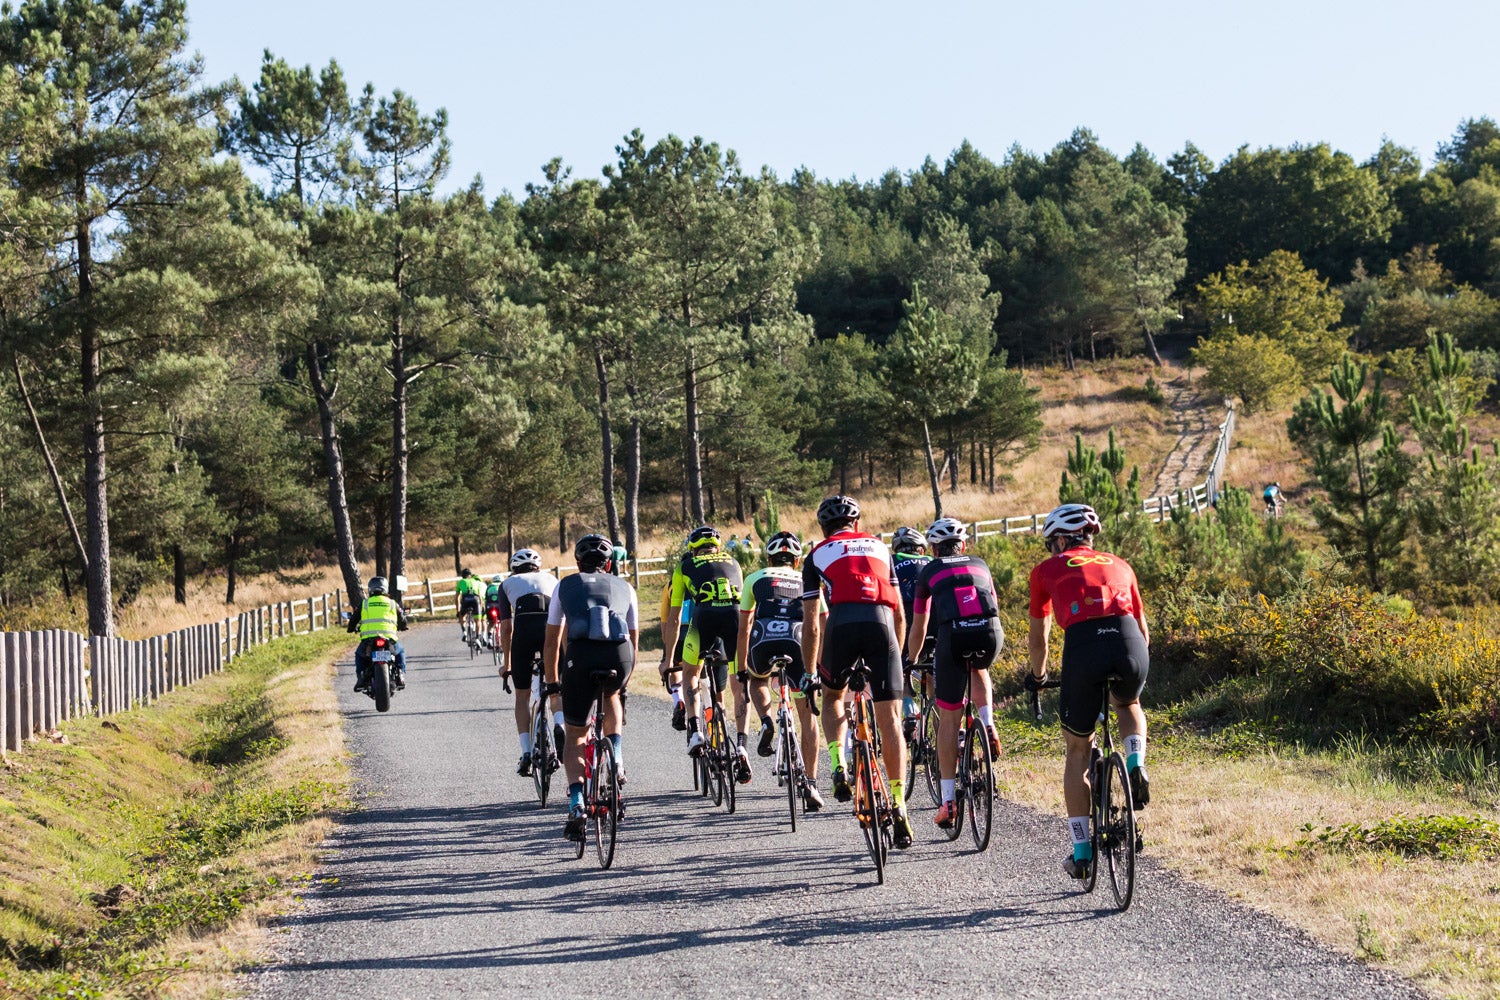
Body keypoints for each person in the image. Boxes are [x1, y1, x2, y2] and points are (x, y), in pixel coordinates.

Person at [1025, 502, 1151, 880]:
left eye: (1052, 543)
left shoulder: (1046, 570)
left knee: (1078, 748)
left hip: (1083, 646)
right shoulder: (1120, 564)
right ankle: (1135, 763)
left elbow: (1038, 639)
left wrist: (1039, 675)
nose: (1051, 549)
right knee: (1128, 703)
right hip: (1129, 642)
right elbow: (1143, 631)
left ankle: (1082, 853)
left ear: (1061, 538)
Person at [802, 495, 915, 850]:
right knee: (891, 721)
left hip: (841, 624)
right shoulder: (881, 549)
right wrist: (896, 656)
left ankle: (838, 763)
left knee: (833, 695)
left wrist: (809, 673)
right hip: (882, 626)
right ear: (857, 522)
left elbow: (811, 624)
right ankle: (899, 804)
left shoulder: (817, 553)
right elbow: (899, 614)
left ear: (824, 528)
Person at [904, 518, 1004, 829]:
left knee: (949, 720)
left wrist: (912, 659)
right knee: (979, 666)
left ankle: (948, 802)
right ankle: (988, 722)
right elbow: (994, 606)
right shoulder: (980, 564)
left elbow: (920, 625)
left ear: (933, 548)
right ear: (963, 545)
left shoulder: (929, 571)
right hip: (990, 633)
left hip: (953, 637)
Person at [543, 534, 639, 843]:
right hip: (619, 656)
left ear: (577, 562)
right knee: (611, 694)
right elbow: (634, 641)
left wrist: (553, 683)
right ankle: (618, 759)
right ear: (610, 563)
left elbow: (552, 641)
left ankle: (576, 804)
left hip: (581, 657)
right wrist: (624, 681)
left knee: (576, 735)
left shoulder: (564, 586)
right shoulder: (627, 588)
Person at [736, 530, 825, 812]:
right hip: (798, 642)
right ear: (797, 561)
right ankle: (811, 782)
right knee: (807, 715)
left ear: (769, 558)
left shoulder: (755, 577)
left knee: (758, 679)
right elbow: (821, 625)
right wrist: (817, 669)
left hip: (763, 640)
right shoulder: (808, 580)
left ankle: (765, 720)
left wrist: (741, 669)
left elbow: (743, 628)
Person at [660, 525, 751, 782]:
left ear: (692, 548)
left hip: (705, 617)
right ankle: (742, 744)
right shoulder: (734, 561)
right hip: (734, 619)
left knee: (690, 674)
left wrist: (668, 660)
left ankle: (696, 730)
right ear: (718, 547)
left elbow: (675, 618)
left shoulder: (684, 567)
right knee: (739, 680)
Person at [498, 548, 560, 776]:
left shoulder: (506, 584)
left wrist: (508, 664)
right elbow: (562, 618)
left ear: (514, 568)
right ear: (538, 567)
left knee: (522, 695)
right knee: (555, 690)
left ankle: (525, 752)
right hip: (550, 635)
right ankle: (560, 724)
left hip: (523, 636)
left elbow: (506, 628)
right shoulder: (552, 579)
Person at [891, 525, 933, 739]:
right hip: (936, 620)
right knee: (935, 672)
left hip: (907, 620)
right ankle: (946, 725)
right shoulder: (931, 563)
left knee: (902, 667)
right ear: (921, 549)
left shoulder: (891, 561)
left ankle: (909, 711)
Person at [347, 576, 409, 692]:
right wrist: (403, 626)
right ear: (385, 589)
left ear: (370, 589)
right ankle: (400, 674)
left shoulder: (365, 604)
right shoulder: (392, 603)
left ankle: (360, 677)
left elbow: (354, 619)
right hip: (389, 639)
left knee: (359, 655)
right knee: (400, 651)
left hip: (368, 640)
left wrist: (350, 629)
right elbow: (403, 619)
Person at [455, 567, 482, 637]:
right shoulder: (475, 581)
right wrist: (481, 607)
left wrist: (458, 611)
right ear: (470, 575)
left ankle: (464, 631)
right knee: (478, 620)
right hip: (475, 599)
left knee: (462, 615)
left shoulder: (461, 582)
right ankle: (478, 638)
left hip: (465, 599)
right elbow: (480, 596)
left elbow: (457, 598)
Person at [482, 573, 505, 649]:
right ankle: (500, 641)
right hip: (500, 606)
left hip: (490, 606)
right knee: (503, 622)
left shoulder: (489, 586)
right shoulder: (503, 585)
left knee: (491, 623)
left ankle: (489, 640)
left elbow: (485, 599)